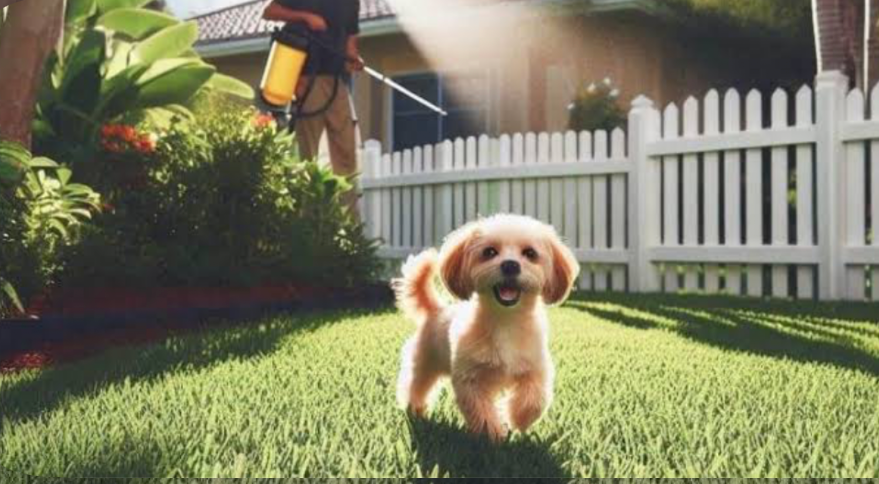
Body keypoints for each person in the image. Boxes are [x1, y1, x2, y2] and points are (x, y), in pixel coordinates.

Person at [263, 0, 364, 215]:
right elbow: (270, 11)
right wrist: (306, 17)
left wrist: (354, 59)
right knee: (307, 153)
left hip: (337, 80)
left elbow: (350, 44)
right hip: (307, 77)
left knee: (346, 153)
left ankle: (350, 224)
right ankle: (304, 219)